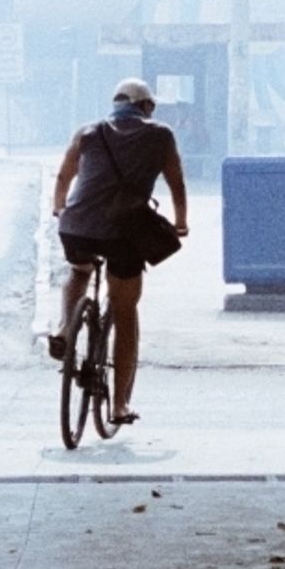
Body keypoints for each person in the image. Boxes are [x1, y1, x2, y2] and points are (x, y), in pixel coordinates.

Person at [50, 78, 189, 424]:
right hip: (124, 233)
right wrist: (181, 221)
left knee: (79, 271)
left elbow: (64, 176)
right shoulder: (161, 135)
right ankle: (119, 405)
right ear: (145, 107)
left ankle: (66, 329)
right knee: (125, 312)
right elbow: (176, 182)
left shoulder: (87, 132)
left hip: (77, 227)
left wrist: (59, 207)